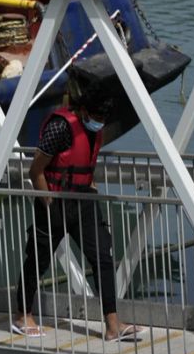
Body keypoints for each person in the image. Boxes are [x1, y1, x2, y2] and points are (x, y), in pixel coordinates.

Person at [12, 93, 145, 341]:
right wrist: (48, 201)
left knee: (103, 257)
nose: (99, 122)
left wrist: (91, 189)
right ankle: (22, 315)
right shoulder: (60, 127)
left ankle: (113, 325)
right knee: (38, 259)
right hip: (53, 200)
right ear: (83, 110)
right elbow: (35, 169)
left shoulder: (96, 130)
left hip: (84, 202)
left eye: (103, 118)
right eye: (95, 116)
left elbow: (87, 164)